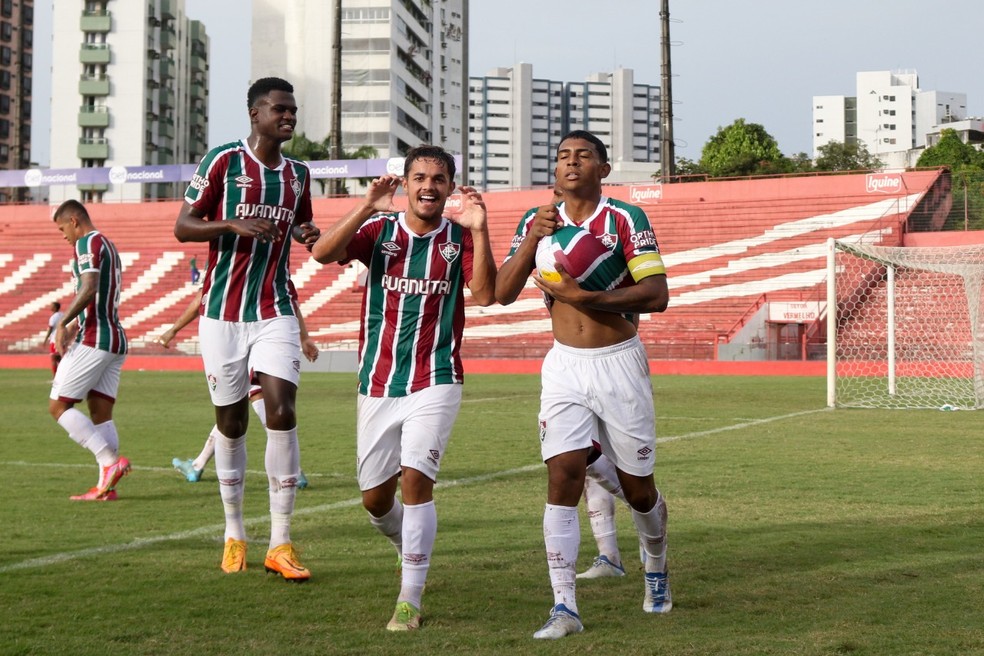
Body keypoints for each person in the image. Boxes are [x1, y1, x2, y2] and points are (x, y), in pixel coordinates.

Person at [310, 145, 496, 631]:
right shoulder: (380, 231)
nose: (428, 186)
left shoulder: (459, 239)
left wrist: (480, 227)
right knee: (375, 500)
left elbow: (486, 295)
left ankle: (409, 601)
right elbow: (322, 253)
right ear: (407, 183)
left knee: (416, 481)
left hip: (436, 376)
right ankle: (402, 544)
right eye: (419, 177)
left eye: (438, 178)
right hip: (378, 380)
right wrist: (367, 206)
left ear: (451, 187)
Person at [495, 130, 672, 639]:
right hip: (564, 366)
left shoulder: (625, 219)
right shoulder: (536, 222)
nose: (571, 163)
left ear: (604, 168)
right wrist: (532, 238)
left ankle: (655, 567)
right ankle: (564, 608)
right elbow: (504, 292)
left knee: (639, 491)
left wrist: (582, 295)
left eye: (584, 156)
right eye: (563, 157)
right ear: (554, 170)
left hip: (618, 362)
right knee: (563, 474)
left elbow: (657, 295)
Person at [173, 76, 320, 581]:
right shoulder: (223, 161)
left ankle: (280, 541)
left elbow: (301, 223)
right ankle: (234, 531)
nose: (289, 117)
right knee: (231, 423)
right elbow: (183, 226)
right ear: (255, 113)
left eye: (293, 111)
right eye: (280, 109)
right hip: (222, 313)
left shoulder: (299, 174)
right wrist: (231, 225)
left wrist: (306, 232)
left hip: (274, 307)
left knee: (280, 410)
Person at [157, 288, 316, 488]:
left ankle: (290, 468)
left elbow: (203, 296)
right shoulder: (273, 268)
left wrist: (173, 329)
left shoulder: (231, 267)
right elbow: (291, 300)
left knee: (250, 402)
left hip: (241, 336)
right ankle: (198, 464)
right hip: (263, 333)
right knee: (235, 411)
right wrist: (304, 337)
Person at [48, 200, 131, 501]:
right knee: (101, 414)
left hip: (96, 337)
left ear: (74, 220)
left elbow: (91, 285)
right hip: (115, 338)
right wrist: (73, 323)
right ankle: (105, 487)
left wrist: (64, 322)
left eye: (62, 229)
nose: (63, 236)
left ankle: (110, 462)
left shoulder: (87, 242)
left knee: (58, 407)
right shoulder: (107, 244)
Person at [44, 301, 65, 376]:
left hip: (54, 340)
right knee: (61, 358)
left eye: (51, 306)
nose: (50, 307)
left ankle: (55, 377)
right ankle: (62, 375)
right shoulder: (63, 314)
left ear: (55, 307)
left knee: (53, 358)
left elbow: (50, 328)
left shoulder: (53, 317)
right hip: (63, 338)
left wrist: (45, 339)